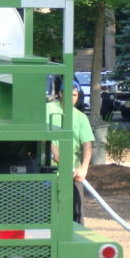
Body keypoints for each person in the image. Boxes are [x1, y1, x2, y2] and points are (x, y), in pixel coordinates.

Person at [46, 79, 93, 223]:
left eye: (75, 95)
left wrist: (83, 168)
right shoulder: (48, 109)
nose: (72, 98)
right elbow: (39, 134)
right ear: (60, 94)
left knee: (77, 212)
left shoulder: (81, 117)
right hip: (49, 170)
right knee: (49, 211)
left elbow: (87, 145)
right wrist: (53, 149)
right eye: (69, 94)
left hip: (72, 172)